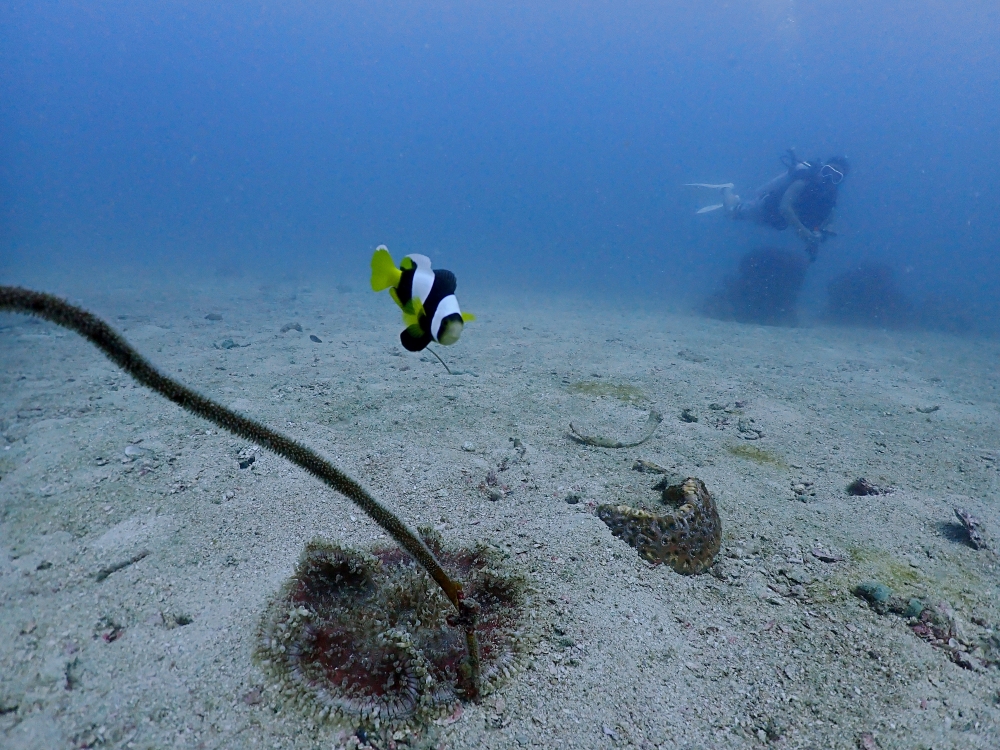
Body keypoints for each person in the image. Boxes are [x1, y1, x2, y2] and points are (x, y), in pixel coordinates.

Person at [689, 151, 850, 261]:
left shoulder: (831, 197)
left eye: (836, 176)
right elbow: (785, 207)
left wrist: (819, 236)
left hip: (776, 221)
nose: (829, 177)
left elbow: (827, 221)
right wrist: (803, 231)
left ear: (840, 180)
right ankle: (725, 189)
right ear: (822, 168)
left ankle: (734, 201)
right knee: (732, 213)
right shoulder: (804, 181)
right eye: (828, 170)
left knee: (737, 214)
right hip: (765, 208)